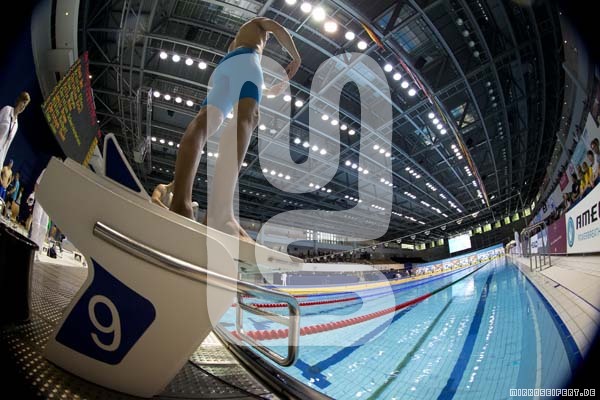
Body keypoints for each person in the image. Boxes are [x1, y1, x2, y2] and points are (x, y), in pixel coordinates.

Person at [169, 17, 301, 242]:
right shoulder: (257, 23)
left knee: (203, 122)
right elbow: (277, 28)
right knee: (248, 117)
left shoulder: (235, 42)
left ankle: (180, 203)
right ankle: (219, 215)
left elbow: (240, 72)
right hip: (248, 59)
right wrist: (296, 58)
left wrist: (268, 91)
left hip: (225, 67)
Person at [0, 92, 30, 168]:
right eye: (23, 103)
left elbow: (6, 146)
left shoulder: (16, 125)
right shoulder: (7, 110)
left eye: (25, 106)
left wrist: (1, 164)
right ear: (19, 100)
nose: (23, 107)